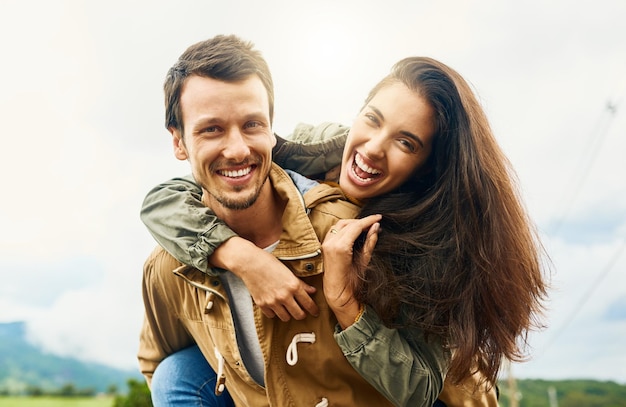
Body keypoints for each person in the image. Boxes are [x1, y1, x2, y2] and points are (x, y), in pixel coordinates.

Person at [141, 50, 549, 405]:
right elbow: (176, 192)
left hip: (439, 395)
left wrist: (345, 305)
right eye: (372, 120)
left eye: (406, 143)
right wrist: (240, 255)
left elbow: (423, 389)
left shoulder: (426, 238)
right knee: (179, 372)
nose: (373, 148)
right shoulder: (313, 150)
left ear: (429, 166)